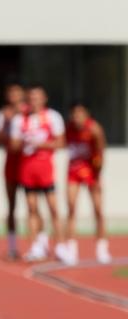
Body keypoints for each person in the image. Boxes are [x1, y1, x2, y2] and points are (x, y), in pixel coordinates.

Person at [10, 85, 66, 263]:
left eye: (37, 98)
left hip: (45, 168)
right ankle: (35, 245)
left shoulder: (53, 117)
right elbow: (13, 145)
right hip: (27, 168)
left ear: (44, 99)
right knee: (31, 208)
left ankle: (60, 246)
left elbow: (61, 143)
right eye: (31, 98)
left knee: (53, 208)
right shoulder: (20, 119)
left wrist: (41, 144)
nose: (34, 101)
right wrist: (24, 141)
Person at [66, 103, 110, 265]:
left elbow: (100, 153)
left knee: (98, 209)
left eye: (80, 114)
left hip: (91, 171)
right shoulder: (68, 129)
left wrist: (97, 174)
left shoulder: (94, 129)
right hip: (74, 171)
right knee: (71, 206)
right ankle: (71, 249)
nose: (77, 117)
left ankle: (102, 247)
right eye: (74, 114)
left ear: (86, 115)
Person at [0, 82, 27, 260]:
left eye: (17, 92)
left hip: (28, 161)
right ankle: (12, 246)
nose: (14, 96)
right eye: (11, 93)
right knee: (12, 205)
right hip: (11, 162)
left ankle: (39, 245)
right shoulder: (2, 114)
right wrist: (7, 122)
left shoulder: (31, 112)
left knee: (34, 204)